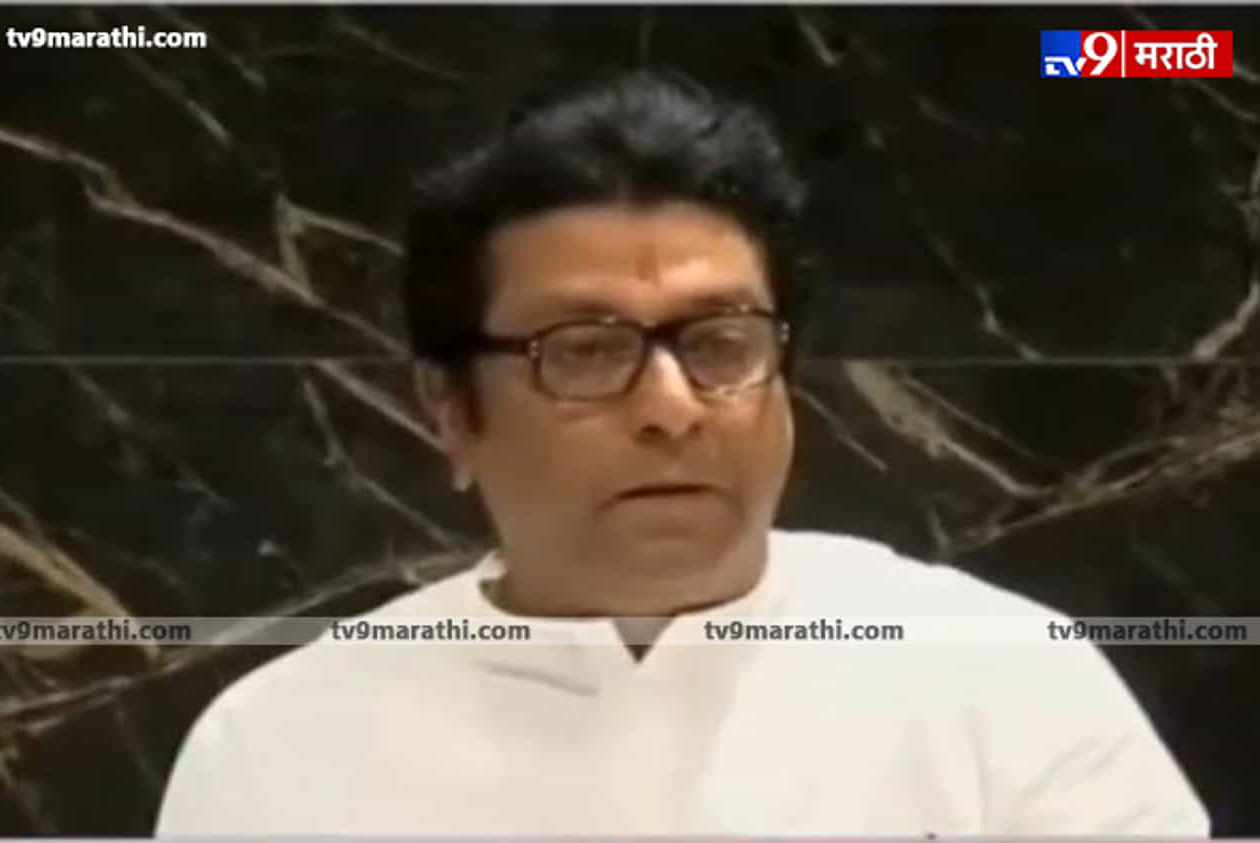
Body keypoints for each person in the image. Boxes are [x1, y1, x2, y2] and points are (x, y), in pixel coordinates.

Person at [155, 70, 1209, 836]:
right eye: (585, 350)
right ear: (449, 409)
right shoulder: (279, 750)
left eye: (719, 343)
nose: (670, 408)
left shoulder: (1001, 677)